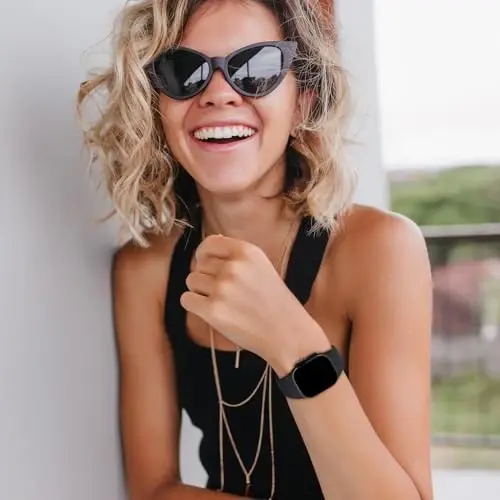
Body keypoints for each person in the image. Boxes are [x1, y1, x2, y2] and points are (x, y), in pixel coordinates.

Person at [77, 0, 434, 499]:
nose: (219, 94)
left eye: (257, 68)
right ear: (156, 106)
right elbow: (154, 491)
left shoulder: (380, 250)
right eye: (184, 71)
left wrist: (292, 342)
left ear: (302, 102)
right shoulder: (145, 270)